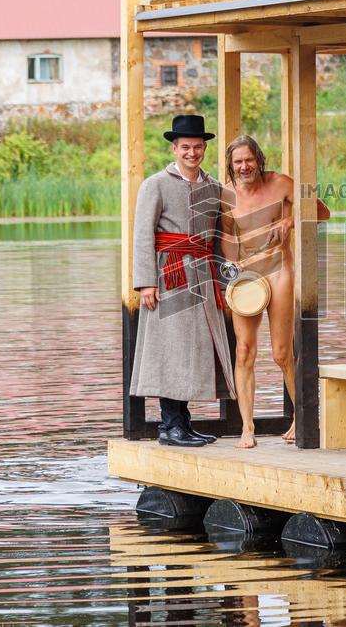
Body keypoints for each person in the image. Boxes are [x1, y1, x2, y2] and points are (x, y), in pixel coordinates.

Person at [129, 114, 235, 447]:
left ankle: (182, 424)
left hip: (202, 275)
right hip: (169, 275)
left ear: (204, 148)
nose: (192, 152)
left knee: (192, 350)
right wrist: (146, 282)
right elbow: (142, 235)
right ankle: (170, 426)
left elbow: (217, 239)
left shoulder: (213, 187)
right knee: (170, 349)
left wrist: (224, 280)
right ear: (174, 148)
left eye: (197, 147)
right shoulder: (155, 184)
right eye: (186, 147)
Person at [220, 136, 330, 449]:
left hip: (279, 270)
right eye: (238, 162)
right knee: (244, 350)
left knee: (282, 353)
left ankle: (302, 417)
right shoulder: (227, 195)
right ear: (231, 165)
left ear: (259, 159)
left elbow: (323, 213)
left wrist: (292, 219)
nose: (244, 166)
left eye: (249, 160)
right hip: (247, 276)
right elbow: (226, 236)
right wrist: (231, 266)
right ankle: (247, 427)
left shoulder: (281, 183)